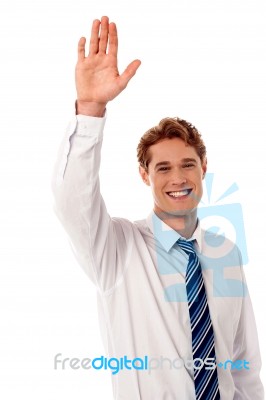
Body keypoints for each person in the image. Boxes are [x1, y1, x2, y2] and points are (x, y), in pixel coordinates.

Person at [52, 16, 264, 400]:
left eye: (187, 165)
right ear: (144, 175)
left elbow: (244, 365)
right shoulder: (118, 249)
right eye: (162, 168)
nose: (177, 179)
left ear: (203, 168)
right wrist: (90, 109)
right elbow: (72, 203)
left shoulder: (226, 254)